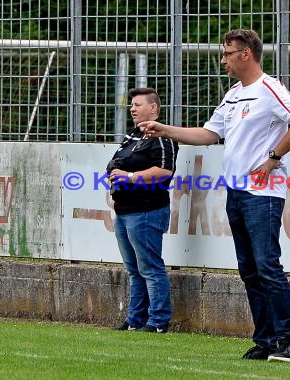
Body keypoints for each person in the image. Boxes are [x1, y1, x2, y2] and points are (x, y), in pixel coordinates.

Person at [139, 29, 290, 362]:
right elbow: (208, 134)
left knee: (267, 264)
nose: (223, 60)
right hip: (236, 192)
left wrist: (273, 158)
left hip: (262, 195)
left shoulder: (270, 89)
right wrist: (166, 129)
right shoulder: (234, 94)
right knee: (249, 269)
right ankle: (265, 341)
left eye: (228, 53)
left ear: (245, 54)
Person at [108, 87, 178, 334]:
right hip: (124, 211)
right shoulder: (132, 136)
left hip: (147, 211)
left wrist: (129, 176)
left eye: (138, 104)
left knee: (150, 267)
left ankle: (158, 321)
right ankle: (135, 319)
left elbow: (165, 172)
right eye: (132, 105)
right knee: (134, 269)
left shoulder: (163, 138)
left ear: (154, 108)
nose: (132, 109)